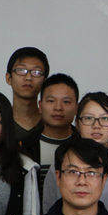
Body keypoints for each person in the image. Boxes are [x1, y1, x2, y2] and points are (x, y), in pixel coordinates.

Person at [18, 73, 79, 201]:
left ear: (76, 108)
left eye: (66, 102)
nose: (58, 108)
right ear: (40, 106)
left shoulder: (85, 146)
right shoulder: (23, 147)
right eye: (51, 101)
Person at [5, 47, 50, 141]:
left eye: (36, 72)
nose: (28, 77)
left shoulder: (51, 123)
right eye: (21, 70)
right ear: (9, 78)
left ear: (45, 82)